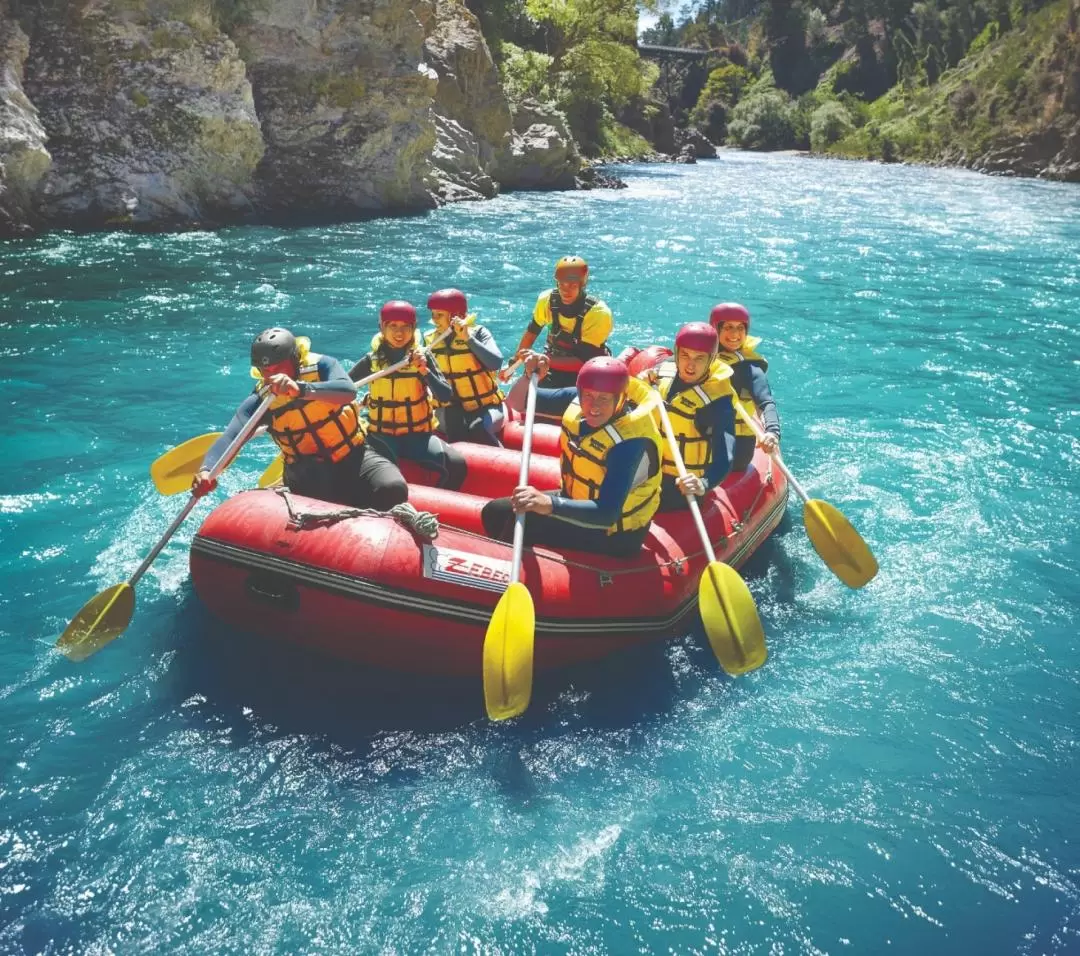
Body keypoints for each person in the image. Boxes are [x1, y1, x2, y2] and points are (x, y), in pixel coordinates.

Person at [192, 327, 408, 509]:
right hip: (307, 473)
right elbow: (232, 436)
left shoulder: (323, 366)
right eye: (265, 370)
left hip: (355, 455)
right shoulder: (261, 400)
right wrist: (207, 471)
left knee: (393, 488)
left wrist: (301, 389)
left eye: (278, 367)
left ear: (295, 360)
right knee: (325, 506)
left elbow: (347, 391)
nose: (272, 375)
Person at [480, 354, 662, 557]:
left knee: (526, 522)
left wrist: (548, 504)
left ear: (621, 399)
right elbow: (516, 402)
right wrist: (528, 376)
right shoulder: (575, 400)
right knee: (494, 511)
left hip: (615, 532)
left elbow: (607, 514)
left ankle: (507, 572)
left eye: (604, 398)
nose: (594, 406)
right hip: (576, 499)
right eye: (588, 396)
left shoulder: (630, 442)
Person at [348, 300, 467, 490]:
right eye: (392, 326)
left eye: (405, 327)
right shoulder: (371, 361)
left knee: (457, 464)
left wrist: (425, 371)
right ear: (382, 328)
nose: (399, 332)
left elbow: (445, 396)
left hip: (418, 436)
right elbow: (345, 387)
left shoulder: (423, 357)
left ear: (414, 329)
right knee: (390, 480)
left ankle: (438, 503)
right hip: (382, 436)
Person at [638, 322, 737, 511]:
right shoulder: (662, 371)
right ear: (676, 353)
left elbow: (725, 455)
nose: (690, 365)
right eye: (685, 355)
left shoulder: (717, 403)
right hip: (647, 473)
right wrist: (639, 386)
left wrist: (703, 484)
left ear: (712, 359)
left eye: (699, 358)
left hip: (679, 485)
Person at [512, 255, 614, 389]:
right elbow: (531, 333)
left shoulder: (598, 313)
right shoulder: (546, 301)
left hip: (585, 372)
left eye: (572, 285)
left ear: (581, 285)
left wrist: (542, 358)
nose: (566, 291)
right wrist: (513, 363)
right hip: (551, 365)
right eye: (561, 284)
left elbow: (584, 361)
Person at [423, 288, 506, 447]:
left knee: (477, 428)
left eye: (439, 315)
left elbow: (496, 363)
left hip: (486, 407)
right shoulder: (429, 340)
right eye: (433, 315)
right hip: (450, 408)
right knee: (454, 422)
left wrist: (468, 339)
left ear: (456, 316)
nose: (434, 320)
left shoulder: (479, 333)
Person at [708, 302, 780, 472]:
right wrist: (651, 374)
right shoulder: (701, 357)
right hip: (701, 435)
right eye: (728, 327)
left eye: (740, 328)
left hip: (735, 446)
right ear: (715, 328)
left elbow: (765, 403)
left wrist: (772, 432)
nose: (735, 334)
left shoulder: (750, 369)